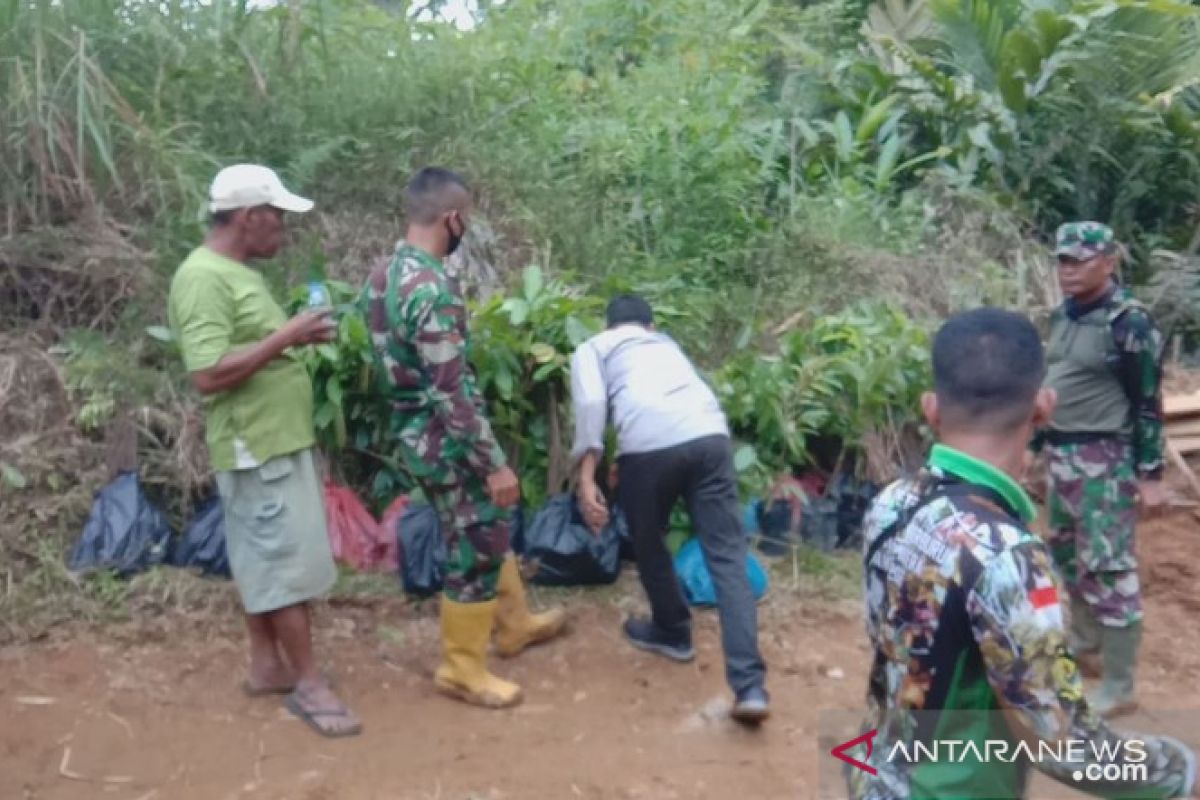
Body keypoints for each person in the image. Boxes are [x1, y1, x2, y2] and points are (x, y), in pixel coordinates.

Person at [850, 307, 1193, 799]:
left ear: (931, 407)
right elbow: (1062, 741)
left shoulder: (890, 504)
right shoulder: (1008, 557)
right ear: (1044, 407)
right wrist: (1179, 771)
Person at [361, 167, 566, 709]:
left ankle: (514, 622)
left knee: (485, 527)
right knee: (474, 544)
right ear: (451, 218)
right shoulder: (431, 289)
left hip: (413, 434)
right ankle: (462, 668)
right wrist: (493, 462)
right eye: (466, 219)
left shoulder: (383, 274)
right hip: (446, 442)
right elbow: (450, 392)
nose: (465, 228)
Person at [168, 164, 360, 738]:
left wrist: (291, 340)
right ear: (249, 217)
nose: (283, 229)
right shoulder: (203, 278)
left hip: (271, 441)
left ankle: (267, 665)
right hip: (258, 447)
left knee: (260, 555)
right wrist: (287, 337)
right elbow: (206, 373)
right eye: (277, 217)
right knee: (284, 565)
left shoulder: (235, 271)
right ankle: (308, 684)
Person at [569, 295, 769, 724]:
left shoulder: (594, 348)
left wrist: (588, 475)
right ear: (651, 324)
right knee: (728, 557)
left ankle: (674, 630)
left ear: (608, 325)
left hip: (648, 447)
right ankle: (750, 686)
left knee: (648, 538)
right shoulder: (665, 345)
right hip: (710, 437)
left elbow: (591, 406)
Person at [1034, 221, 1166, 718]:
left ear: (1108, 262)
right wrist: (1036, 442)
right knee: (1067, 556)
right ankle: (1085, 645)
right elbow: (1056, 382)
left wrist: (1150, 475)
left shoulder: (1129, 323)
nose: (1068, 270)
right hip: (1062, 457)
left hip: (1104, 463)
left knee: (1110, 567)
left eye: (1080, 260)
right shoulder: (1062, 317)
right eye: (1063, 261)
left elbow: (1148, 403)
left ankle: (1120, 683)